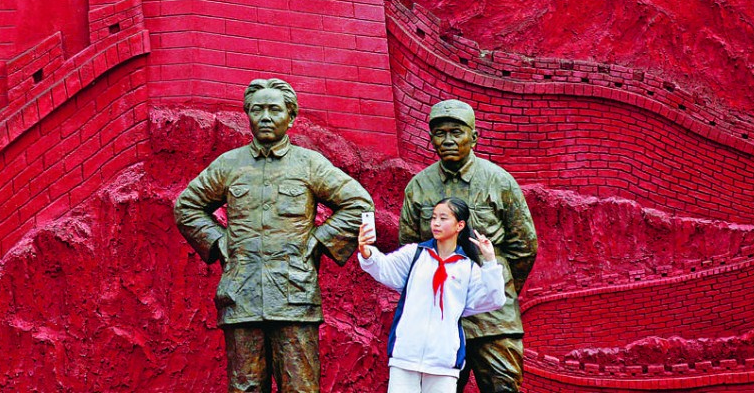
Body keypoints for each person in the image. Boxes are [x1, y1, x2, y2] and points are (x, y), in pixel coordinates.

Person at [174, 78, 374, 393]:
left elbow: (359, 204)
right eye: (257, 109)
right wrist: (218, 241)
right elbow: (187, 206)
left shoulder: (309, 164)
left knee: (300, 386)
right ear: (248, 116)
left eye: (274, 109)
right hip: (242, 294)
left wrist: (320, 240)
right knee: (245, 387)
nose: (265, 116)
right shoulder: (230, 165)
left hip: (294, 293)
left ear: (291, 117)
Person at [399, 100, 537, 393]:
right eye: (440, 133)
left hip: (494, 320)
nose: (447, 140)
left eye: (456, 132)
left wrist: (496, 286)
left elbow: (524, 247)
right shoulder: (419, 187)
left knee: (503, 387)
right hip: (441, 315)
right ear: (431, 139)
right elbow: (411, 251)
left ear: (474, 137)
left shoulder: (498, 181)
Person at [358, 197, 506, 393]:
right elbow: (384, 268)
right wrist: (366, 251)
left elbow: (494, 299)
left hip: (443, 362)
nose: (436, 223)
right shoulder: (415, 254)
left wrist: (489, 261)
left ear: (459, 225)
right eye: (434, 217)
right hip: (405, 357)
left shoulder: (467, 268)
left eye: (443, 218)